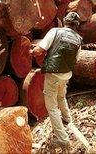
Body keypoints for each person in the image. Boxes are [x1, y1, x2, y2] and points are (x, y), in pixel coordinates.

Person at [30, 12, 82, 148]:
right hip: (66, 74)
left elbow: (39, 51)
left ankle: (63, 139)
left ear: (65, 22)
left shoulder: (55, 32)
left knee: (51, 107)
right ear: (76, 25)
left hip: (53, 74)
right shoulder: (79, 39)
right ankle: (67, 118)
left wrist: (31, 51)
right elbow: (76, 59)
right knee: (61, 97)